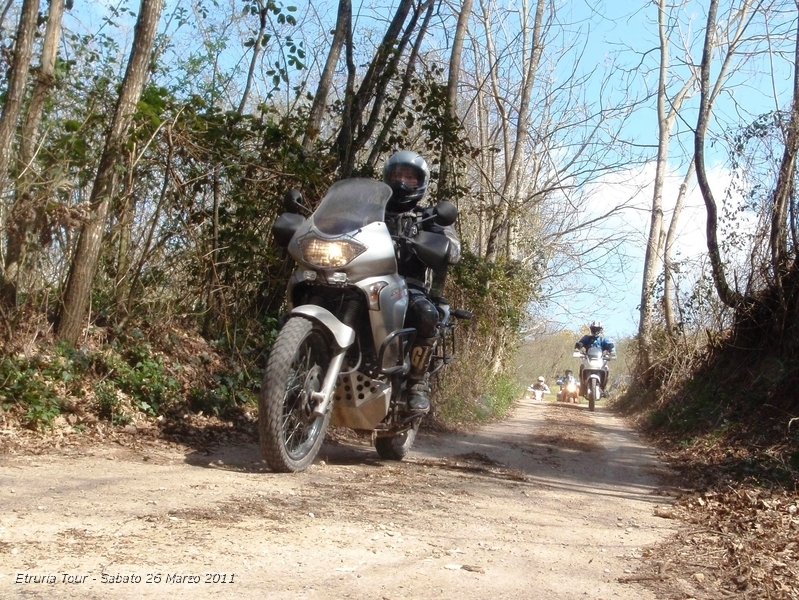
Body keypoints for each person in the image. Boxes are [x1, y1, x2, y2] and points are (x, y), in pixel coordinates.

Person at [382, 150, 461, 414]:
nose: (402, 181)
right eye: (397, 175)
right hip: (363, 276)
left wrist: (444, 246)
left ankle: (417, 382)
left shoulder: (427, 217)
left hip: (408, 286)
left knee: (426, 314)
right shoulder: (371, 211)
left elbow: (454, 248)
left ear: (421, 182)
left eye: (410, 176)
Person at [574, 321, 615, 396]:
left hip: (600, 360)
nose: (595, 330)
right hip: (588, 359)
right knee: (582, 367)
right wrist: (577, 349)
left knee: (606, 368)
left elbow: (610, 345)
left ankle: (603, 388)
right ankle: (582, 387)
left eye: (597, 329)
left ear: (600, 329)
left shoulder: (603, 339)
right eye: (594, 328)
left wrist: (612, 352)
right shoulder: (587, 338)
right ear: (591, 329)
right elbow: (580, 343)